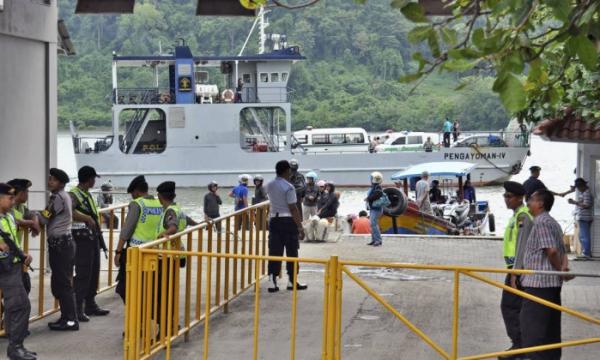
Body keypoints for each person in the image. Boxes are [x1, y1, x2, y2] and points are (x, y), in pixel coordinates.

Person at [520, 189, 573, 360]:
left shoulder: (541, 222)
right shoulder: (554, 223)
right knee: (550, 331)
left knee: (532, 331)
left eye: (532, 200)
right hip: (552, 285)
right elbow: (564, 253)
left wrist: (559, 271)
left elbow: (552, 251)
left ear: (540, 204)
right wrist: (563, 271)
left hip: (539, 285)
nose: (528, 202)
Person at [37, 168, 78, 331]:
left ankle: (70, 320)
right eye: (49, 179)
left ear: (60, 183)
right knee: (61, 282)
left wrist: (31, 216)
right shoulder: (64, 196)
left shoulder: (57, 198)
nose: (49, 182)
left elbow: (45, 218)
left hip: (61, 246)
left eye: (52, 179)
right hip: (64, 244)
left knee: (63, 283)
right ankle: (66, 317)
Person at [0, 183, 36, 360]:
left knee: (17, 306)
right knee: (21, 306)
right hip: (4, 268)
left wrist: (22, 254)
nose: (13, 202)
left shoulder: (8, 216)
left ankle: (17, 346)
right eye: (10, 198)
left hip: (13, 266)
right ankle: (15, 348)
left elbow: (11, 240)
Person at [69, 166, 110, 322]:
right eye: (93, 178)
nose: (94, 181)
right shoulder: (74, 194)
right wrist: (86, 219)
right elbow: (70, 211)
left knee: (94, 272)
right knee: (83, 274)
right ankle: (78, 308)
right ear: (88, 179)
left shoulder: (86, 194)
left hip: (92, 237)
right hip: (81, 238)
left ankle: (90, 304)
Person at [114, 175, 163, 303]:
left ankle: (137, 315)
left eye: (132, 193)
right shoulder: (159, 202)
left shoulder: (137, 204)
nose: (132, 196)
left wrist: (118, 252)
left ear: (136, 191)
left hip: (136, 252)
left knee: (125, 287)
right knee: (149, 285)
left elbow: (126, 231)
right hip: (155, 250)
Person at [499, 181, 533, 359]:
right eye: (504, 196)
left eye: (509, 196)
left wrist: (516, 272)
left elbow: (523, 246)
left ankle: (520, 348)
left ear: (520, 198)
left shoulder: (523, 216)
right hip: (515, 269)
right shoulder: (516, 216)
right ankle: (520, 347)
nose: (505, 199)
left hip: (518, 270)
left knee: (510, 307)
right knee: (515, 308)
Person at [265, 160, 307, 293]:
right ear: (286, 171)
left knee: (274, 251)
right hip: (288, 221)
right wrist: (300, 227)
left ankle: (272, 281)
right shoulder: (289, 187)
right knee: (292, 251)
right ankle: (291, 281)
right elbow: (293, 208)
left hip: (274, 220)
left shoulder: (269, 185)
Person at [7, 179, 39, 294]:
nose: (28, 194)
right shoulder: (6, 206)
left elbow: (32, 213)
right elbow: (15, 220)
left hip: (14, 254)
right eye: (27, 191)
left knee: (23, 286)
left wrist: (34, 221)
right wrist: (30, 223)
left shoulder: (20, 206)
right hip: (5, 255)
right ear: (20, 193)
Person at [565, 178, 594, 259]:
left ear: (582, 186)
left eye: (578, 187)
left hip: (585, 217)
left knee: (584, 236)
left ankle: (586, 254)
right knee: (581, 235)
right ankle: (585, 252)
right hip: (582, 216)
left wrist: (575, 202)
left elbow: (587, 205)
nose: (578, 189)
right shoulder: (584, 192)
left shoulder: (586, 193)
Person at [365, 172, 384, 246]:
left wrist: (368, 198)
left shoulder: (377, 187)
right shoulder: (374, 187)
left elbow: (377, 194)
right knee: (372, 224)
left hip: (376, 209)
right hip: (373, 208)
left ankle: (378, 240)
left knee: (374, 224)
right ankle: (374, 239)